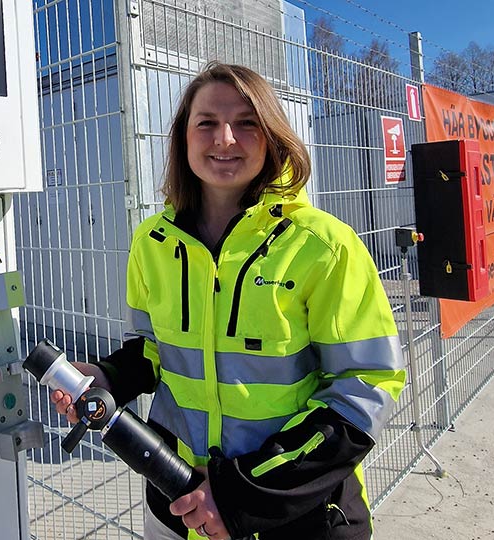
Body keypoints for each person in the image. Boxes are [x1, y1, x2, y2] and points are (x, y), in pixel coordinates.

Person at [50, 62, 405, 540]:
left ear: (272, 135)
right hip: (178, 502)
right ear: (183, 138)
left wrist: (240, 493)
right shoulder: (150, 243)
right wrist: (107, 376)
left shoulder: (324, 246)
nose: (225, 139)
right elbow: (153, 350)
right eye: (207, 123)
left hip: (293, 515)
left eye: (246, 122)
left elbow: (365, 387)